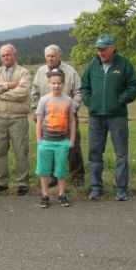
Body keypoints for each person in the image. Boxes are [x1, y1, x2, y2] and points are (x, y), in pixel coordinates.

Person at [81, 34, 136, 201]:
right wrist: (90, 102)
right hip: (95, 117)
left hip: (117, 117)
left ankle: (121, 189)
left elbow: (134, 86)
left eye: (103, 49)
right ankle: (95, 188)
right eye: (98, 49)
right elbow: (84, 86)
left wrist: (120, 100)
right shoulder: (92, 65)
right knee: (94, 154)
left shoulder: (124, 64)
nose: (100, 52)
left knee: (121, 154)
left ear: (112, 48)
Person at [31, 44, 85, 187]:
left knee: (73, 147)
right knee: (50, 147)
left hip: (68, 118)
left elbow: (79, 92)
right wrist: (36, 113)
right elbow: (34, 93)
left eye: (52, 56)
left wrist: (72, 108)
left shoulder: (70, 71)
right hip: (48, 119)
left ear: (59, 56)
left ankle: (77, 175)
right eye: (47, 56)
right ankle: (52, 176)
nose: (50, 58)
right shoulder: (40, 72)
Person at [0, 43, 31, 196]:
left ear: (15, 55)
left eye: (8, 55)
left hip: (18, 118)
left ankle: (23, 183)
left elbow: (23, 93)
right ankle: (2, 182)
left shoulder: (23, 72)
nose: (6, 57)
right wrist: (8, 85)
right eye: (3, 55)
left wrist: (2, 94)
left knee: (21, 151)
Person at [35, 69, 76, 208]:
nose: (56, 86)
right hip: (46, 141)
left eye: (59, 83)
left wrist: (71, 140)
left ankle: (61, 194)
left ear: (63, 84)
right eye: (53, 83)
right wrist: (39, 140)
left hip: (62, 142)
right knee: (43, 170)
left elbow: (72, 121)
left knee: (60, 170)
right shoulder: (44, 100)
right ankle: (45, 195)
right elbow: (39, 121)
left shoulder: (68, 100)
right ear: (49, 84)